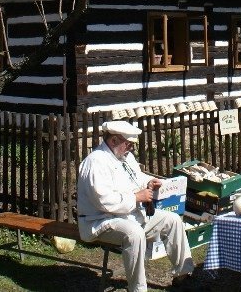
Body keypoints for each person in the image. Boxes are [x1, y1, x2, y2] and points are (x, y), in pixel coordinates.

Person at [77, 121, 194, 292]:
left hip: (128, 215)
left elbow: (136, 177)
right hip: (99, 221)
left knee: (172, 220)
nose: (131, 147)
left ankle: (184, 273)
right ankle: (138, 289)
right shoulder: (95, 162)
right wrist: (137, 197)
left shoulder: (125, 157)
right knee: (134, 233)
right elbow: (103, 201)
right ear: (114, 140)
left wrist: (148, 181)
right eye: (128, 143)